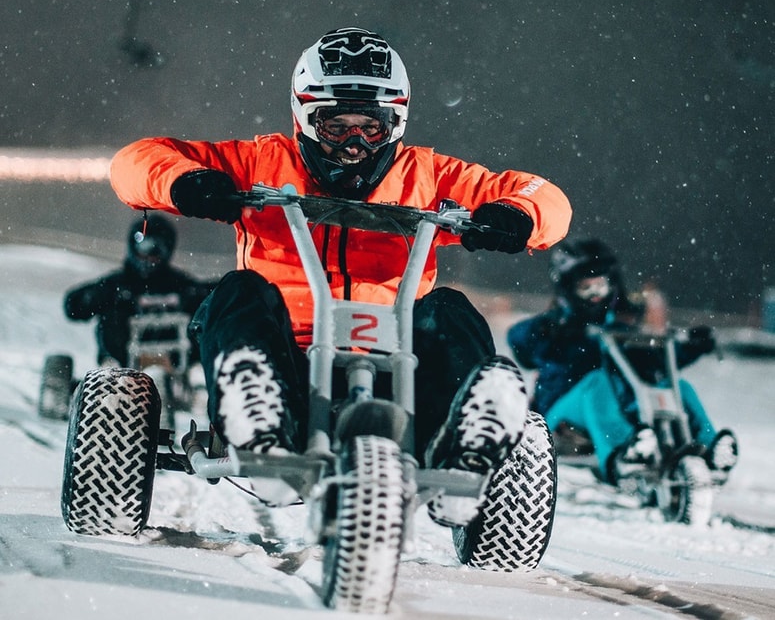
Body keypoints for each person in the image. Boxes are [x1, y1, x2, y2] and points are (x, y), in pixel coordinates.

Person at [109, 26, 573, 526]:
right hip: (284, 348)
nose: (354, 144)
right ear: (305, 118)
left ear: (395, 122)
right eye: (336, 126)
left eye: (370, 127)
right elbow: (136, 160)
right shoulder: (264, 162)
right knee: (238, 292)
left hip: (397, 360)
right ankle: (258, 415)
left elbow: (542, 194)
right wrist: (187, 182)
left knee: (449, 309)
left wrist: (517, 215)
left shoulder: (429, 176)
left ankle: (466, 446)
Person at [507, 238, 738, 486]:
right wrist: (552, 329)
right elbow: (519, 342)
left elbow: (654, 362)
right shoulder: (556, 328)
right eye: (587, 289)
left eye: (601, 288)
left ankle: (709, 448)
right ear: (569, 290)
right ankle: (621, 455)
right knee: (596, 383)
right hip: (560, 416)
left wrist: (691, 347)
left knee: (677, 387)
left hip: (618, 407)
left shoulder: (618, 329)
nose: (595, 297)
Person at [65, 213, 216, 368]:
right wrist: (96, 297)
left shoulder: (179, 284)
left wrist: (205, 295)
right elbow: (72, 306)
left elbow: (210, 295)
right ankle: (110, 369)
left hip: (177, 366)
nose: (148, 255)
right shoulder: (117, 283)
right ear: (132, 246)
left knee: (199, 316)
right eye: (143, 246)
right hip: (123, 370)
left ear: (167, 249)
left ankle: (197, 373)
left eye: (156, 248)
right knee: (113, 314)